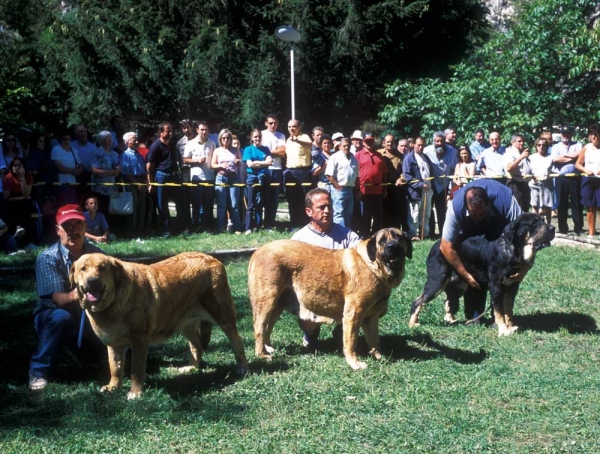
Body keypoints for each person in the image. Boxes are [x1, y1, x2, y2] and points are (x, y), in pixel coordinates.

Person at [29, 204, 107, 390]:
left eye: (77, 225)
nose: (73, 231)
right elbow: (58, 300)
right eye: (67, 226)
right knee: (60, 317)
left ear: (85, 228)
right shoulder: (47, 258)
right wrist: (84, 293)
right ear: (58, 230)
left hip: (90, 313)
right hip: (54, 314)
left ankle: (119, 363)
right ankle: (38, 371)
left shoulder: (100, 255)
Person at [441, 179, 522, 319]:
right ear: (467, 207)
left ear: (489, 203)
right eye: (475, 213)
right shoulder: (456, 207)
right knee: (473, 318)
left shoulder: (505, 201)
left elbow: (524, 236)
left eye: (483, 213)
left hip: (499, 227)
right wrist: (466, 275)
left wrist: (523, 269)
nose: (479, 216)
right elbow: (445, 246)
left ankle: (499, 315)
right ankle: (475, 313)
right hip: (470, 235)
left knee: (501, 268)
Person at [291, 188, 361, 346]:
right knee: (308, 320)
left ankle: (341, 331)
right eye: (321, 207)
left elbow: (361, 259)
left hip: (342, 292)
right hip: (312, 293)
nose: (327, 211)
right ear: (309, 211)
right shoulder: (298, 239)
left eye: (329, 206)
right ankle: (311, 332)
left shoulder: (347, 235)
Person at [146, 122, 185, 237]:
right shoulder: (155, 146)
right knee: (162, 204)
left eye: (171, 131)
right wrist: (150, 183)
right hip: (161, 176)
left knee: (180, 201)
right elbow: (149, 166)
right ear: (161, 132)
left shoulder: (173, 144)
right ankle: (165, 230)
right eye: (168, 131)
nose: (170, 133)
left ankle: (179, 227)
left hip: (174, 176)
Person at [183, 120, 216, 232]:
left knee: (208, 204)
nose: (204, 132)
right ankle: (196, 226)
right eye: (202, 129)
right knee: (196, 204)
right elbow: (185, 159)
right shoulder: (190, 143)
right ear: (197, 130)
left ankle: (207, 226)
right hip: (197, 177)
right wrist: (196, 160)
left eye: (206, 130)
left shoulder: (212, 143)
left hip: (210, 177)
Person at [424, 131, 458, 237]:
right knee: (429, 209)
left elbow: (453, 169)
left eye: (441, 141)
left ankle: (443, 233)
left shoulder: (452, 152)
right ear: (433, 141)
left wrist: (451, 187)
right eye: (437, 141)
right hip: (431, 184)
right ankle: (431, 232)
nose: (439, 143)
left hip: (444, 184)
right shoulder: (427, 151)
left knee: (442, 210)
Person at [551, 125, 583, 235]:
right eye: (564, 134)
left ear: (571, 134)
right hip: (561, 178)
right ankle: (563, 229)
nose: (566, 136)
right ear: (561, 135)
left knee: (577, 203)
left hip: (575, 178)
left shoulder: (578, 145)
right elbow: (555, 159)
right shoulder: (556, 147)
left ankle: (578, 228)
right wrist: (571, 157)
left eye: (568, 133)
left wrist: (564, 156)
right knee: (561, 203)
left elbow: (579, 156)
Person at [355, 133, 387, 237]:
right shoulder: (358, 155)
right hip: (364, 192)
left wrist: (385, 188)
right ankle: (364, 236)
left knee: (378, 217)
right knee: (365, 217)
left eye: (371, 141)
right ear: (363, 142)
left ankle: (376, 236)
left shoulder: (379, 155)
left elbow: (384, 173)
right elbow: (354, 174)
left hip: (378, 191)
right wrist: (358, 190)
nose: (370, 143)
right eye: (367, 141)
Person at [211, 128, 242, 233]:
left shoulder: (235, 149)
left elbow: (240, 163)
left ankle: (237, 228)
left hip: (233, 177)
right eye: (223, 138)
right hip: (221, 177)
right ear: (220, 139)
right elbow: (212, 164)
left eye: (228, 138)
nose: (226, 140)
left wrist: (238, 162)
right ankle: (220, 228)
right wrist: (220, 165)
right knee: (221, 204)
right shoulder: (217, 150)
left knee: (234, 204)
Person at [283, 119, 313, 228]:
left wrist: (297, 140)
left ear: (299, 127)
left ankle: (306, 225)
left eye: (294, 126)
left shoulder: (304, 137)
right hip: (290, 172)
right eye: (289, 127)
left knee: (304, 199)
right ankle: (294, 224)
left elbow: (310, 145)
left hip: (303, 172)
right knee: (292, 200)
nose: (291, 129)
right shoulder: (287, 140)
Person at [120, 131, 151, 237]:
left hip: (142, 182)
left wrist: (146, 183)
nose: (137, 142)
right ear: (127, 142)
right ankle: (132, 232)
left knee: (142, 208)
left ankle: (141, 231)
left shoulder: (139, 155)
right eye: (134, 140)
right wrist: (137, 184)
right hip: (132, 183)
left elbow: (145, 170)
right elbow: (126, 173)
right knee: (133, 208)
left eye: (137, 140)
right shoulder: (125, 155)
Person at [403, 136, 433, 241]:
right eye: (418, 145)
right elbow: (407, 176)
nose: (420, 147)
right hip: (415, 192)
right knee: (414, 214)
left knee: (426, 213)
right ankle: (413, 234)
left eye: (422, 145)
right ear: (414, 145)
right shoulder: (409, 159)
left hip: (427, 190)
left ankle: (424, 233)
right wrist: (420, 185)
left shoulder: (426, 157)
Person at [242, 129, 272, 234]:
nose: (257, 139)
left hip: (265, 177)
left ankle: (260, 226)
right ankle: (248, 227)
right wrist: (264, 163)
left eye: (259, 137)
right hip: (252, 177)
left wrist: (257, 162)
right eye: (255, 137)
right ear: (252, 138)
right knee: (250, 204)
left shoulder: (266, 149)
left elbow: (270, 162)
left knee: (262, 203)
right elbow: (249, 164)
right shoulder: (248, 149)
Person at [325, 137, 359, 228]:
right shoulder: (335, 157)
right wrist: (337, 186)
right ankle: (340, 235)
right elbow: (328, 174)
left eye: (348, 146)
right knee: (339, 214)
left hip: (350, 189)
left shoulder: (353, 158)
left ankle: (346, 234)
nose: (346, 147)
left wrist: (358, 190)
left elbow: (357, 176)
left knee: (348, 213)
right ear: (339, 146)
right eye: (344, 146)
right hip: (339, 189)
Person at [2, 157, 36, 246]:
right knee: (18, 207)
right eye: (14, 165)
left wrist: (22, 179)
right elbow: (7, 197)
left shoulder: (28, 176)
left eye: (19, 165)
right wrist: (22, 198)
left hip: (25, 203)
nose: (16, 167)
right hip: (12, 203)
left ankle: (27, 240)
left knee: (26, 208)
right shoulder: (7, 178)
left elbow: (27, 193)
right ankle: (18, 231)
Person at [260, 114, 286, 230]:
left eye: (275, 123)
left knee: (274, 198)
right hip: (263, 168)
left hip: (276, 169)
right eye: (270, 123)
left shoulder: (281, 136)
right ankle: (260, 223)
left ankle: (270, 223)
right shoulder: (261, 134)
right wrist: (273, 151)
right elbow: (258, 152)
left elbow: (282, 153)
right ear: (266, 123)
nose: (273, 125)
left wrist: (267, 151)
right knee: (262, 197)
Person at [575, 123, 600, 238]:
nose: (593, 137)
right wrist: (585, 169)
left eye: (595, 134)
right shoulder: (586, 148)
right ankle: (591, 233)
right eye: (591, 135)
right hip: (588, 180)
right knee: (590, 207)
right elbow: (577, 164)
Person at [91, 131, 121, 216]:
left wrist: (117, 170)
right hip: (100, 189)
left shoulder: (115, 154)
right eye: (107, 139)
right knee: (101, 212)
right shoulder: (96, 153)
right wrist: (112, 172)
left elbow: (118, 169)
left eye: (110, 138)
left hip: (112, 189)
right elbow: (95, 171)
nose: (110, 140)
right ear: (101, 141)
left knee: (112, 212)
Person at [51, 129, 83, 206]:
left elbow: (80, 164)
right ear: (60, 140)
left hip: (73, 182)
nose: (66, 141)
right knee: (64, 205)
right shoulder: (56, 149)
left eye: (68, 139)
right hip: (62, 183)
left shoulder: (74, 150)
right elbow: (59, 166)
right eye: (64, 139)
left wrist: (80, 170)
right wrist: (73, 171)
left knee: (73, 205)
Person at [504, 134, 532, 212]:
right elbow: (509, 168)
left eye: (523, 141)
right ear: (513, 142)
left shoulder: (522, 152)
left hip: (524, 184)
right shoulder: (509, 152)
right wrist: (521, 157)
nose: (522, 143)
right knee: (517, 210)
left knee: (525, 209)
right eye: (519, 141)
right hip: (515, 184)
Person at [529, 138, 554, 223]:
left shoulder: (550, 157)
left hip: (547, 183)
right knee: (535, 205)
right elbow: (528, 171)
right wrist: (533, 177)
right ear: (536, 146)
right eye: (539, 145)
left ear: (547, 146)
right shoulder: (531, 157)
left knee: (548, 205)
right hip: (534, 184)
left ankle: (548, 224)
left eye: (544, 145)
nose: (541, 147)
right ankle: (535, 224)